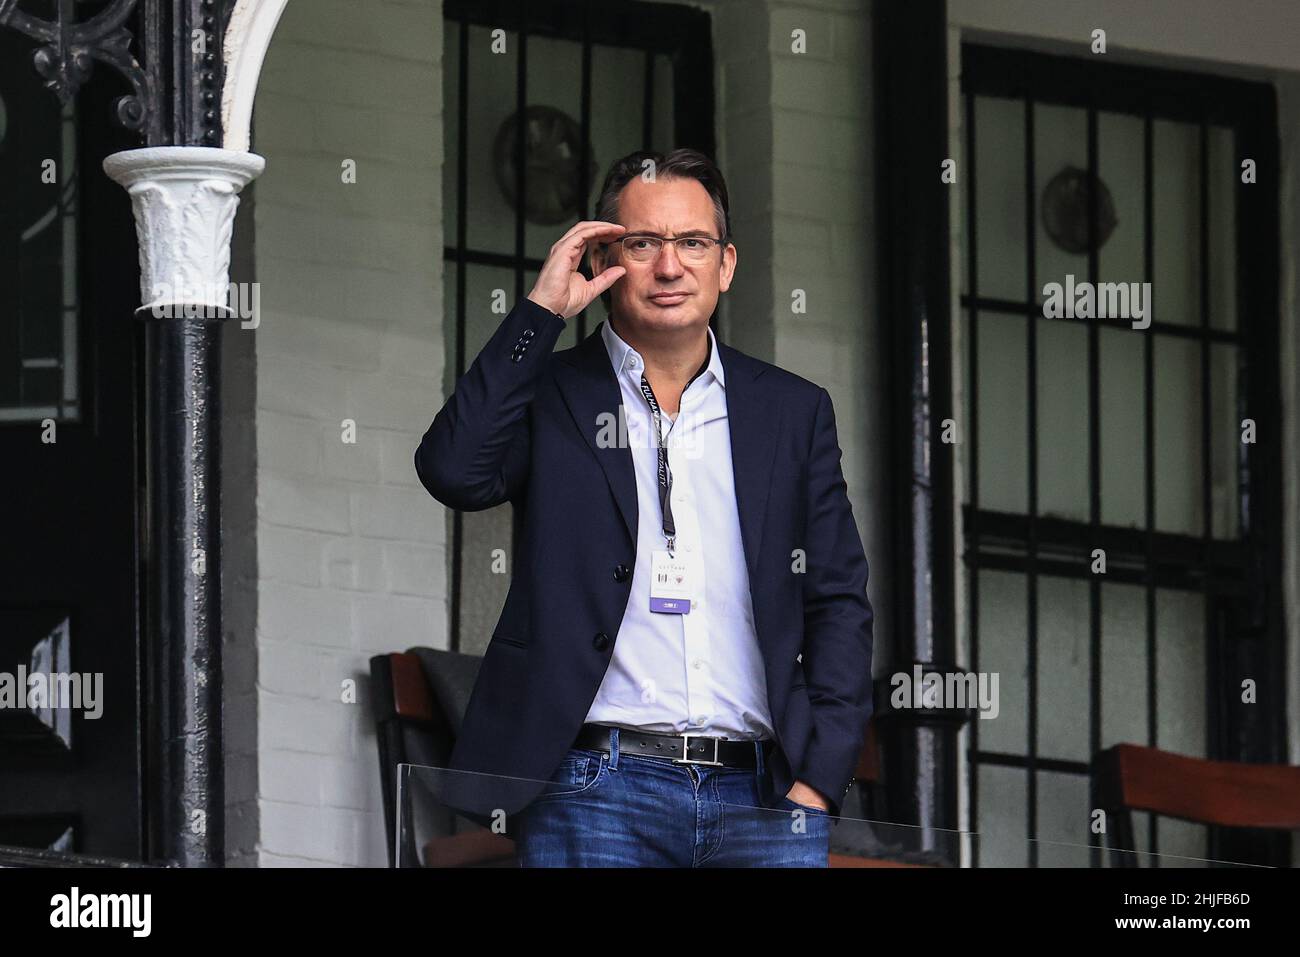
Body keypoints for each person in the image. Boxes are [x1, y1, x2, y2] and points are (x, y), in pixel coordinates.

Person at [415, 148, 874, 866]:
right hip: (594, 788)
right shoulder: (555, 394)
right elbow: (452, 469)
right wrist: (539, 314)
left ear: (725, 264)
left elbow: (839, 597)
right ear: (605, 258)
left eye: (692, 243)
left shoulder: (791, 412)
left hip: (763, 797)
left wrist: (821, 777)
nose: (669, 267)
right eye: (642, 243)